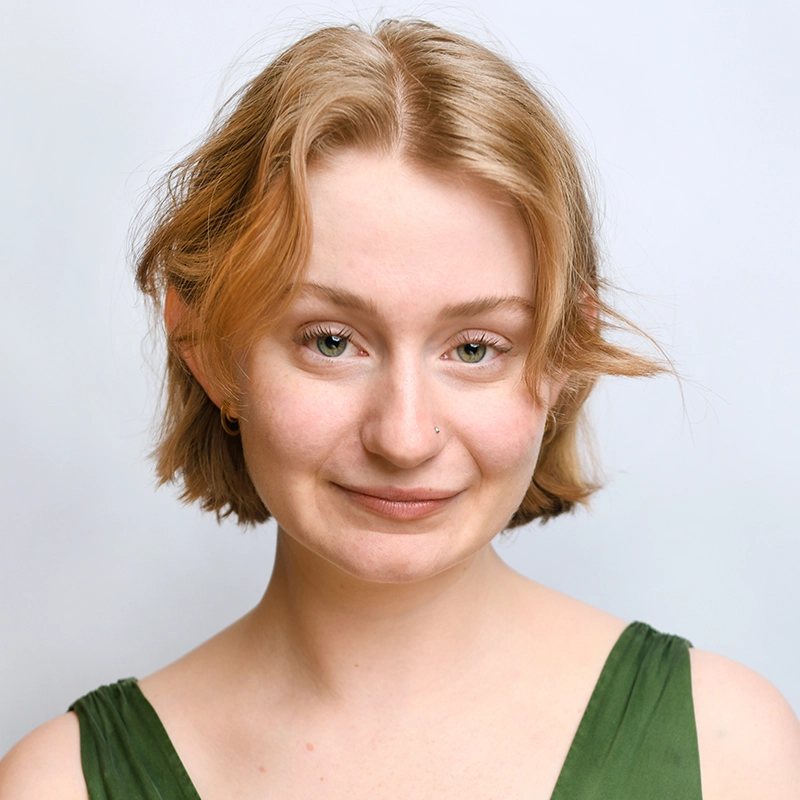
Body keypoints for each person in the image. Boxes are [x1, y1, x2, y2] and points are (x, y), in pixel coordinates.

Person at [1, 18, 798, 800]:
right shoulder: (58, 785)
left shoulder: (731, 753)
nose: (405, 437)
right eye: (331, 341)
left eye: (475, 348)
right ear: (207, 349)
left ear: (562, 354)